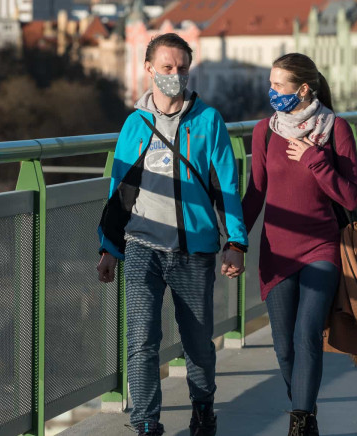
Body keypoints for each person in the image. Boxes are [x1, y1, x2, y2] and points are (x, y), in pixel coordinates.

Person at [96, 33, 248, 436]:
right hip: (142, 245)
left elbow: (226, 187)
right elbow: (120, 191)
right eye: (166, 68)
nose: (174, 75)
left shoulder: (208, 121)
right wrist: (109, 248)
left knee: (198, 343)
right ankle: (146, 422)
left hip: (193, 249)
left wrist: (235, 243)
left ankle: (203, 408)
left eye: (181, 68)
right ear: (148, 69)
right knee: (141, 338)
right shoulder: (135, 124)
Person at [241, 53, 357, 436]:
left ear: (304, 88)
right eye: (270, 83)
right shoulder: (265, 131)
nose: (271, 91)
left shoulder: (336, 129)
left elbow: (351, 198)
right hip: (276, 251)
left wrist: (314, 159)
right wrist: (235, 241)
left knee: (306, 333)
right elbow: (255, 193)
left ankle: (300, 422)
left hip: (320, 248)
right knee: (283, 346)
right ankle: (305, 411)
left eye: (278, 85)